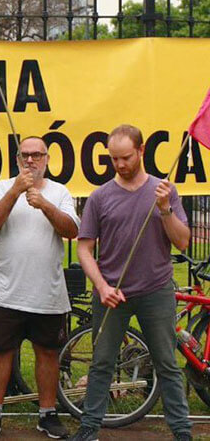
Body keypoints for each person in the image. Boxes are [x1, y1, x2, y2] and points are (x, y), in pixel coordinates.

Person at [69, 125, 192, 441]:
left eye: (126, 157)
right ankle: (89, 428)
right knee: (101, 363)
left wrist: (165, 210)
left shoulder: (164, 191)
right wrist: (101, 286)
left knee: (167, 363)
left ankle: (182, 431)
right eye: (114, 159)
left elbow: (183, 242)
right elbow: (84, 248)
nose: (120, 164)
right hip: (111, 292)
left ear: (141, 151)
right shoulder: (99, 197)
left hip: (156, 290)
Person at [0, 137, 79, 440]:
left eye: (37, 155)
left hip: (47, 293)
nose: (31, 160)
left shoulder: (60, 192)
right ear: (17, 159)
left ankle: (47, 413)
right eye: (25, 155)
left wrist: (44, 204)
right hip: (6, 291)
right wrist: (16, 192)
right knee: (0, 352)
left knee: (47, 353)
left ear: (47, 158)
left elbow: (72, 230)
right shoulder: (1, 188)